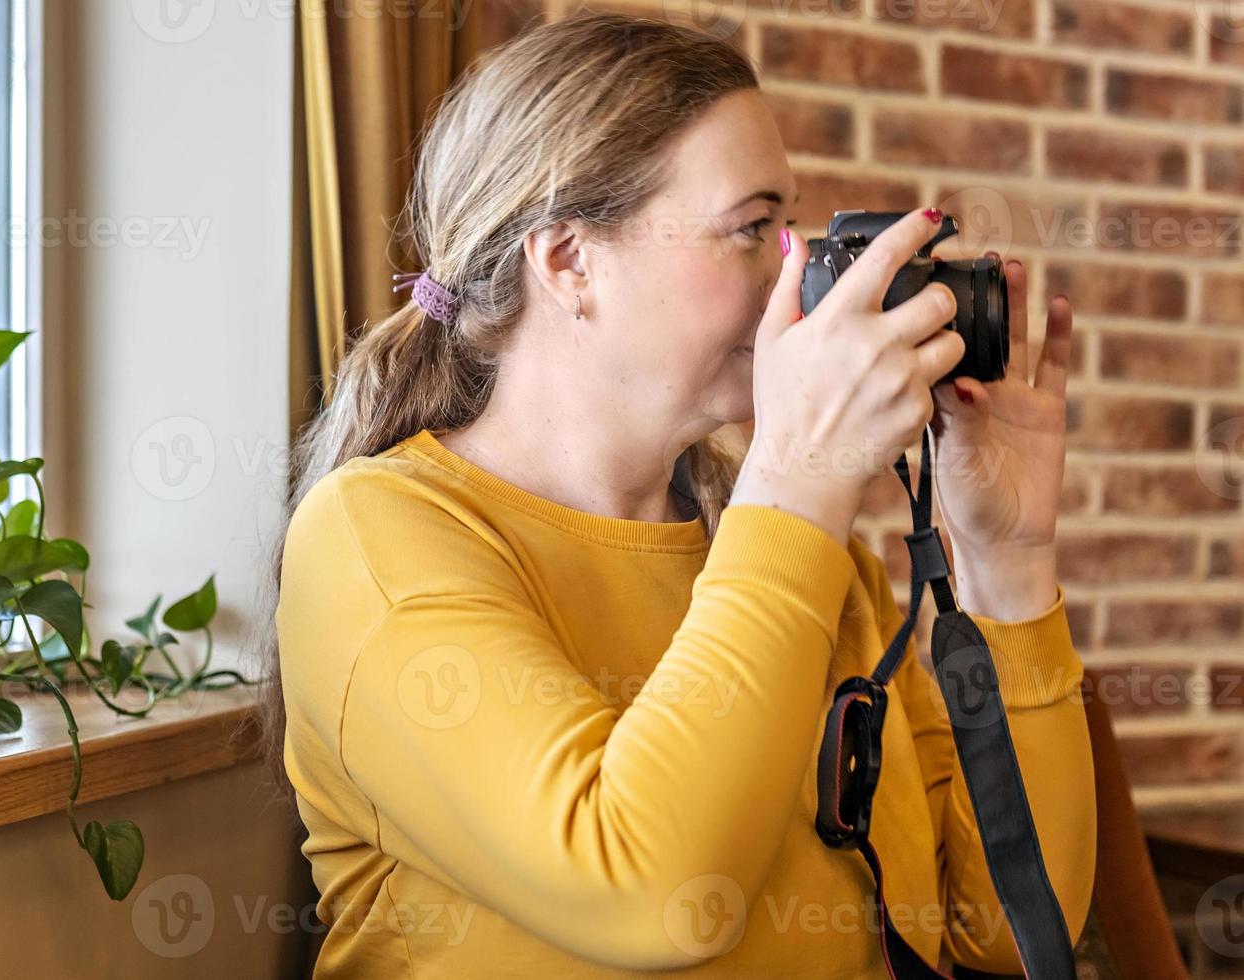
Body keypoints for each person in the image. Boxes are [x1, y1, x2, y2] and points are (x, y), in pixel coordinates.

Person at [260, 11, 1095, 977]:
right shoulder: (379, 537)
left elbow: (1002, 927)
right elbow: (654, 895)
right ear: (569, 260)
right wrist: (796, 481)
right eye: (750, 228)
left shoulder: (792, 554)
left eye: (789, 226)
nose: (796, 272)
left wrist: (1009, 560)